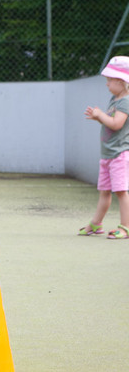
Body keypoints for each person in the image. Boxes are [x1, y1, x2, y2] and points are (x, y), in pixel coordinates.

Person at [79, 55, 129, 240]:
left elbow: (116, 124)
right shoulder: (114, 99)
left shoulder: (125, 101)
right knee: (105, 191)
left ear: (121, 81)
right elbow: (110, 122)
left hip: (119, 155)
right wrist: (98, 117)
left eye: (110, 80)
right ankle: (96, 224)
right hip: (107, 155)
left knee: (121, 192)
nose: (107, 84)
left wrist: (100, 115)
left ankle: (125, 227)